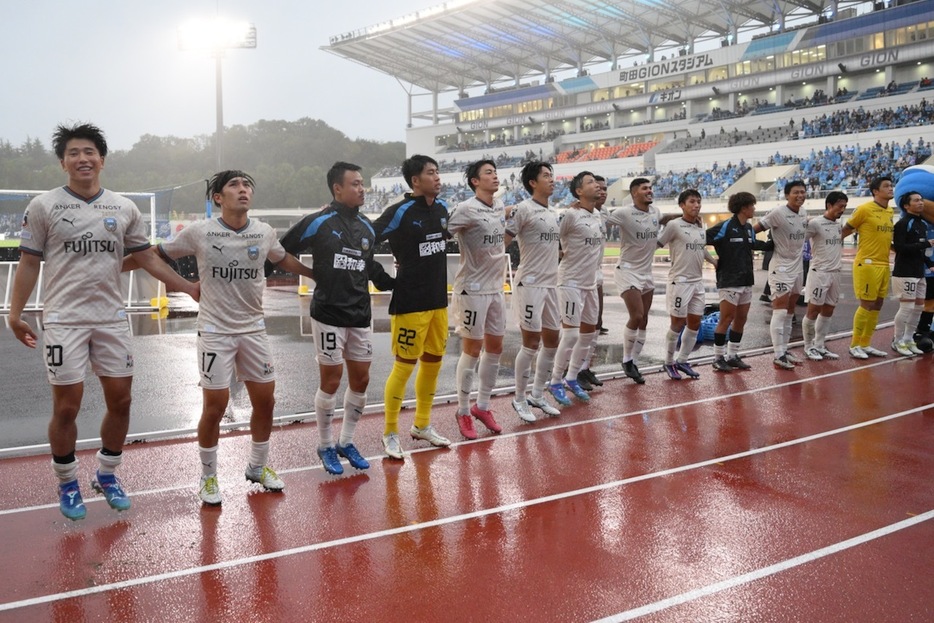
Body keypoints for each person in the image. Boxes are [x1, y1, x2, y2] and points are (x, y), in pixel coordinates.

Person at [8, 122, 199, 520]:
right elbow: (28, 263)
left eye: (89, 152)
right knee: (67, 408)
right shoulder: (44, 206)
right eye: (74, 153)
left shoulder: (123, 207)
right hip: (64, 321)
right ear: (63, 162)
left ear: (102, 160)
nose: (83, 159)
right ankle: (67, 483)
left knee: (122, 400)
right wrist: (15, 313)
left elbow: (146, 258)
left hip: (112, 319)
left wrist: (189, 288)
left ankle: (108, 474)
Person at [157, 170, 312, 505]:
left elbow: (281, 258)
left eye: (247, 186)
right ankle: (209, 477)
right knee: (215, 406)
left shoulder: (264, 232)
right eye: (234, 186)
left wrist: (315, 274)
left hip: (254, 330)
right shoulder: (199, 232)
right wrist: (115, 266)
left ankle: (257, 467)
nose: (243, 190)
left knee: (266, 402)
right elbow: (156, 255)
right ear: (217, 198)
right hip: (215, 331)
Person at [275, 162, 395, 474]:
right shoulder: (318, 222)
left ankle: (346, 440)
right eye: (354, 184)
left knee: (362, 379)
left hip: (359, 314)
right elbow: (277, 250)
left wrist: (394, 282)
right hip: (328, 313)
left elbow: (368, 266)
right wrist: (308, 273)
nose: (362, 188)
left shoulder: (368, 227)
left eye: (362, 183)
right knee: (331, 381)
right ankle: (326, 444)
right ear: (337, 189)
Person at [373, 155, 451, 459]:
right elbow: (366, 239)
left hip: (438, 301)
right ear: (415, 181)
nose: (437, 178)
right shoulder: (399, 212)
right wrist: (379, 276)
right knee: (404, 366)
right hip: (409, 302)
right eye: (431, 173)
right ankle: (390, 432)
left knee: (433, 362)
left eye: (438, 172)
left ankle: (422, 425)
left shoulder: (442, 210)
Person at [448, 160, 507, 439]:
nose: (494, 176)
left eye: (495, 172)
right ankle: (462, 410)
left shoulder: (498, 206)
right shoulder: (465, 209)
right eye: (488, 173)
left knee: (495, 347)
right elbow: (442, 231)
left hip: (496, 288)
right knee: (472, 349)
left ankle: (482, 406)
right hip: (471, 288)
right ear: (474, 181)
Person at [505, 161, 562, 421]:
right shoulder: (523, 209)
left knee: (553, 340)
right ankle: (519, 398)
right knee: (531, 343)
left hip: (551, 284)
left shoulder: (553, 214)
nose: (552, 180)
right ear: (532, 183)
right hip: (529, 283)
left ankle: (537, 394)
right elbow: (503, 242)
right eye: (546, 176)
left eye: (552, 175)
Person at [547, 171, 606, 405]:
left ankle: (572, 377)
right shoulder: (570, 215)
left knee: (589, 334)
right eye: (591, 182)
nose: (598, 185)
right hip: (570, 280)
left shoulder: (598, 215)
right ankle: (554, 381)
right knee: (570, 333)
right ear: (579, 191)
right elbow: (554, 240)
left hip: (590, 282)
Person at [706, 192, 772, 372]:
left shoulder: (749, 228)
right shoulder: (725, 226)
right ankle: (718, 358)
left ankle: (733, 356)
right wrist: (713, 260)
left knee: (741, 319)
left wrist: (772, 243)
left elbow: (754, 244)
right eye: (752, 205)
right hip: (729, 280)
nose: (754, 208)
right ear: (744, 207)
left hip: (746, 279)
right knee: (726, 318)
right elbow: (700, 239)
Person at [606, 177, 661, 384]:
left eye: (650, 188)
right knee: (636, 315)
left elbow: (663, 219)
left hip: (646, 273)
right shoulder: (623, 213)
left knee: (644, 318)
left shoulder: (656, 212)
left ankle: (634, 362)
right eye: (645, 188)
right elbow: (603, 219)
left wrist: (685, 216)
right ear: (634, 193)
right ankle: (627, 360)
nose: (649, 191)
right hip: (627, 271)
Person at [656, 189, 712, 380]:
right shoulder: (674, 225)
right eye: (692, 202)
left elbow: (701, 249)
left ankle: (683, 360)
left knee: (695, 323)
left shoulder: (699, 228)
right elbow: (658, 243)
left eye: (698, 201)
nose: (696, 205)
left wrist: (713, 261)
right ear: (682, 205)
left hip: (697, 282)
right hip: (679, 282)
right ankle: (669, 362)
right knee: (677, 323)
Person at [755, 180, 809, 370]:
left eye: (803, 192)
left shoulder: (803, 213)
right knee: (779, 309)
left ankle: (784, 350)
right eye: (796, 192)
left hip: (798, 268)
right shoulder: (778, 213)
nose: (800, 195)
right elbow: (755, 229)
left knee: (790, 311)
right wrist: (760, 246)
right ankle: (778, 354)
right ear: (787, 195)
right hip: (781, 267)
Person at [841, 176, 896, 359]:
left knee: (878, 304)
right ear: (875, 191)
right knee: (866, 304)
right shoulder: (864, 210)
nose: (891, 188)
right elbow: (844, 231)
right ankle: (854, 344)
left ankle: (866, 344)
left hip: (883, 264)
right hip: (867, 264)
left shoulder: (889, 211)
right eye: (886, 186)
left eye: (891, 185)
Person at [801, 192, 848, 360]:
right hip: (819, 273)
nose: (842, 210)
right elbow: (799, 238)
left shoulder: (837, 225)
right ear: (829, 205)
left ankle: (819, 345)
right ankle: (808, 346)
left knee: (828, 310)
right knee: (813, 311)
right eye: (839, 206)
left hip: (835, 273)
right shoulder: (815, 224)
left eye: (844, 207)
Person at [890, 191, 934, 355]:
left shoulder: (922, 224)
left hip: (919, 272)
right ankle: (897, 340)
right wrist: (925, 244)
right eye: (916, 200)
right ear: (907, 206)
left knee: (918, 307)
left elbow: (920, 251)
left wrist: (930, 264)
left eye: (922, 199)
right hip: (904, 272)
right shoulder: (902, 224)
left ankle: (908, 340)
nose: (921, 202)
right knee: (907, 307)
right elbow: (900, 248)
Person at [576, 174, 608, 391]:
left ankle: (585, 367)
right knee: (576, 328)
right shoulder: (575, 213)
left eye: (605, 188)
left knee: (595, 323)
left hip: (596, 274)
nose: (602, 190)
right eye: (597, 186)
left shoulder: (601, 214)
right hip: (577, 277)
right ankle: (573, 370)